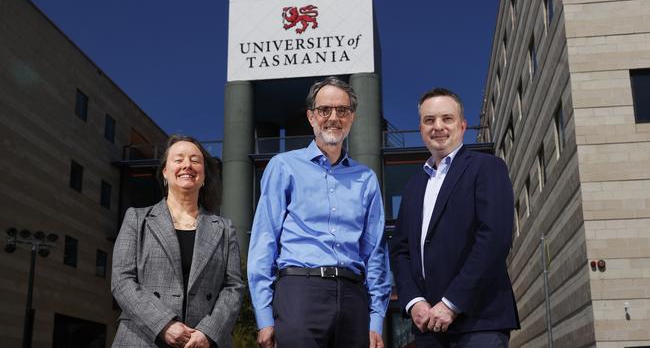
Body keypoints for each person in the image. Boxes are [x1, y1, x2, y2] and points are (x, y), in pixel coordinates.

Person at [247, 76, 391, 348]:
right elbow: (263, 242)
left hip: (353, 297)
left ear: (352, 118)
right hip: (300, 293)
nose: (333, 117)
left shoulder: (366, 179)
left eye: (342, 110)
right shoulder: (283, 167)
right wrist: (264, 317)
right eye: (325, 110)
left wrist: (376, 319)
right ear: (311, 117)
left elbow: (375, 253)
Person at [390, 88, 520, 347]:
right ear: (421, 129)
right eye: (429, 120)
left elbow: (494, 238)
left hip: (479, 320)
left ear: (462, 126)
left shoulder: (487, 168)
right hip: (428, 326)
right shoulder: (414, 185)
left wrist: (452, 303)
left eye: (446, 119)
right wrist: (413, 301)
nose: (438, 126)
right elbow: (400, 250)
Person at [112, 135, 244, 348]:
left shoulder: (224, 228)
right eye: (179, 159)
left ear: (203, 176)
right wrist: (164, 324)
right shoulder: (137, 219)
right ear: (165, 172)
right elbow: (122, 281)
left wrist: (207, 332)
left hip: (202, 342)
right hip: (142, 338)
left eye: (195, 160)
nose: (187, 165)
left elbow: (234, 287)